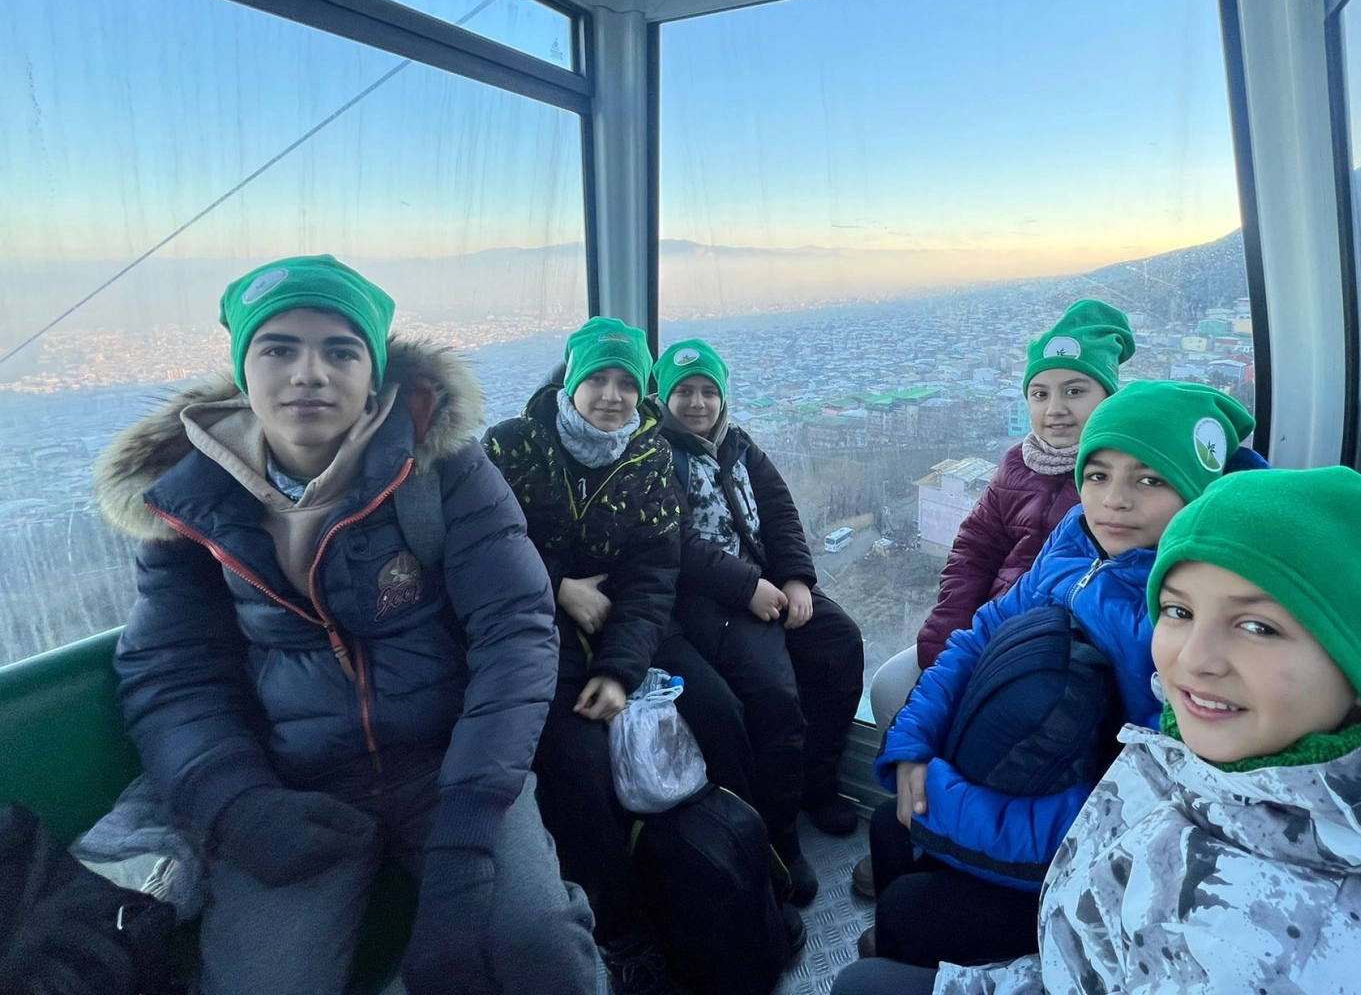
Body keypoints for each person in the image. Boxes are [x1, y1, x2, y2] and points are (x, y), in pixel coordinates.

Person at [841, 467, 1361, 995]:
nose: (1194, 660)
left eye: (1257, 626)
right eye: (1177, 611)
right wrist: (914, 748)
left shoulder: (1291, 941)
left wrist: (940, 800)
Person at [98, 255, 599, 995]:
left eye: (340, 351)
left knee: (538, 949)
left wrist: (471, 815)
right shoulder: (191, 503)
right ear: (243, 372)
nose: (310, 373)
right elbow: (171, 673)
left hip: (451, 761)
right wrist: (237, 804)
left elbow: (516, 630)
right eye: (278, 349)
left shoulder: (443, 470)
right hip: (296, 779)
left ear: (372, 375)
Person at [860, 382, 1258, 969]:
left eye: (1150, 480)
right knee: (886, 827)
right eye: (1097, 475)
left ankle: (906, 960)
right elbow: (979, 636)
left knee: (909, 906)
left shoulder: (1184, 615)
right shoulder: (1075, 539)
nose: (1114, 501)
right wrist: (914, 741)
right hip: (1026, 774)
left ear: (1198, 493)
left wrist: (943, 804)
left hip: (1093, 846)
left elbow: (1147, 806)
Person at [483, 316, 786, 994]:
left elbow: (654, 572)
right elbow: (481, 545)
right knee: (580, 766)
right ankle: (619, 928)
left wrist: (620, 669)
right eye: (598, 378)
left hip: (635, 622)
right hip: (535, 627)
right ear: (570, 380)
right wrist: (556, 586)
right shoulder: (510, 447)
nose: (613, 395)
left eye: (627, 382)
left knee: (721, 714)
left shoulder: (648, 456)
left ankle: (750, 870)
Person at [653, 338, 866, 899]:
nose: (697, 403)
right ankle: (779, 839)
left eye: (708, 391)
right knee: (773, 695)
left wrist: (796, 579)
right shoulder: (654, 456)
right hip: (710, 600)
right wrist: (747, 588)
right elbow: (676, 543)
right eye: (683, 391)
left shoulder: (738, 445)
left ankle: (818, 784)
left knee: (840, 642)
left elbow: (779, 513)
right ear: (663, 397)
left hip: (767, 580)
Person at [866, 300, 1135, 736]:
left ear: (1108, 397)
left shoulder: (1123, 479)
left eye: (1074, 391)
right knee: (889, 689)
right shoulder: (1017, 465)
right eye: (1040, 394)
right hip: (986, 628)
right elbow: (974, 552)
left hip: (1063, 655)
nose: (1055, 409)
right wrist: (946, 639)